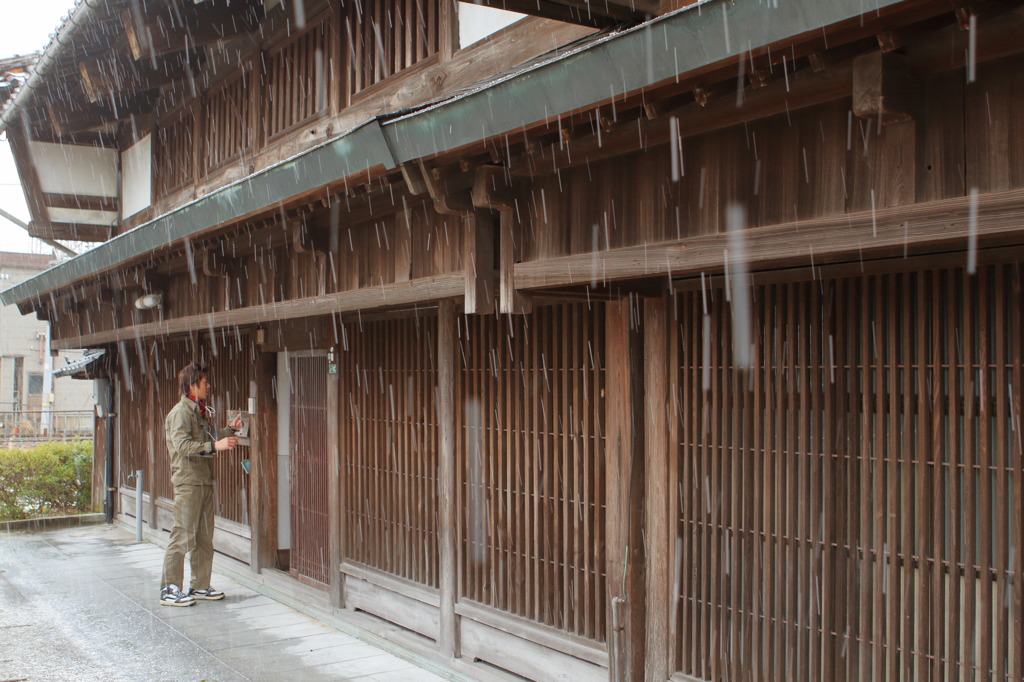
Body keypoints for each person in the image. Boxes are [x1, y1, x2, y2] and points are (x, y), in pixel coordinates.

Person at [159, 362, 242, 607]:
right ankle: (170, 588)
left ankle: (200, 586)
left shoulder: (199, 411)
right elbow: (183, 446)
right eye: (205, 382)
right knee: (182, 535)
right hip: (188, 482)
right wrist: (215, 446)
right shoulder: (180, 413)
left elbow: (209, 436)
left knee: (204, 537)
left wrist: (230, 430)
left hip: (203, 481)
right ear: (193, 385)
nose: (208, 386)